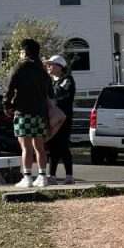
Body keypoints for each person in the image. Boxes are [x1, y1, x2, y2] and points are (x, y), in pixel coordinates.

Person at [3, 38, 53, 188]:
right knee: (39, 147)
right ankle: (42, 176)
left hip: (23, 112)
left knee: (26, 147)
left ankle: (27, 177)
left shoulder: (19, 68)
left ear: (24, 52)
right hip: (40, 113)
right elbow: (50, 93)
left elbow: (9, 89)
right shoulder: (43, 72)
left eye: (20, 51)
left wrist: (6, 104)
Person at [44, 54, 76, 184]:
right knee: (52, 147)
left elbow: (59, 93)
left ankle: (69, 176)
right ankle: (52, 176)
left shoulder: (67, 79)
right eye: (47, 65)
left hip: (63, 119)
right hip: (52, 118)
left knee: (63, 146)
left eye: (51, 65)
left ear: (60, 67)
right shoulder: (52, 81)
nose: (48, 67)